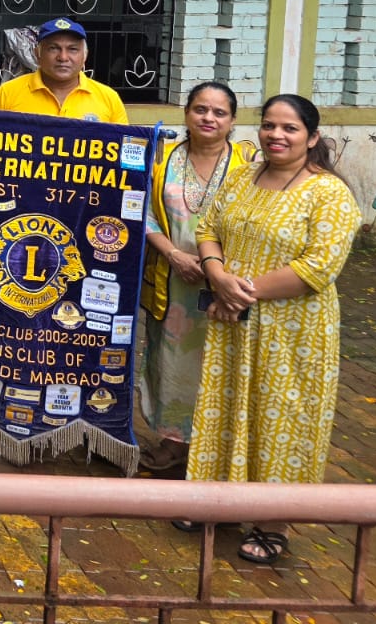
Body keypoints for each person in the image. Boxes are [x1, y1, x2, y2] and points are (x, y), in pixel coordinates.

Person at [186, 94, 361, 565]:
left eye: (289, 128)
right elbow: (208, 226)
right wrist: (217, 274)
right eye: (268, 126)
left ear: (313, 137)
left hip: (293, 332)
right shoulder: (243, 176)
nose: (276, 136)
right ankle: (220, 504)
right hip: (234, 322)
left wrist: (241, 292)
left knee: (281, 417)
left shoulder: (330, 193)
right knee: (228, 406)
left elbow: (318, 268)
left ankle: (273, 523)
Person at [139, 81, 255, 474]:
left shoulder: (250, 163)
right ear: (186, 113)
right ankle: (172, 443)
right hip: (173, 281)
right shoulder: (163, 158)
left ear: (233, 121)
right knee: (170, 361)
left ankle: (214, 449)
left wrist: (214, 268)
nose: (209, 118)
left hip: (227, 284)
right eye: (200, 109)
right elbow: (142, 210)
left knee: (220, 364)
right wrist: (172, 254)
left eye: (219, 112)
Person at [0, 18, 128, 124]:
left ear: (85, 55)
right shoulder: (7, 94)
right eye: (53, 48)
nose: (63, 57)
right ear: (37, 53)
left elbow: (124, 153)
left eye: (72, 49)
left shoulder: (109, 99)